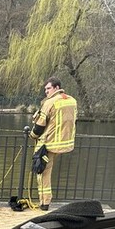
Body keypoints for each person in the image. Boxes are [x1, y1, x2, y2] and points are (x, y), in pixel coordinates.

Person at [29, 77, 77, 211]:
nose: (46, 92)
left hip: (48, 144)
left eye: (48, 88)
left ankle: (44, 203)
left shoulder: (49, 102)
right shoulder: (72, 101)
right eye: (45, 89)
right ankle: (45, 201)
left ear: (56, 88)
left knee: (42, 172)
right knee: (47, 171)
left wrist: (32, 135)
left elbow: (39, 126)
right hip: (66, 143)